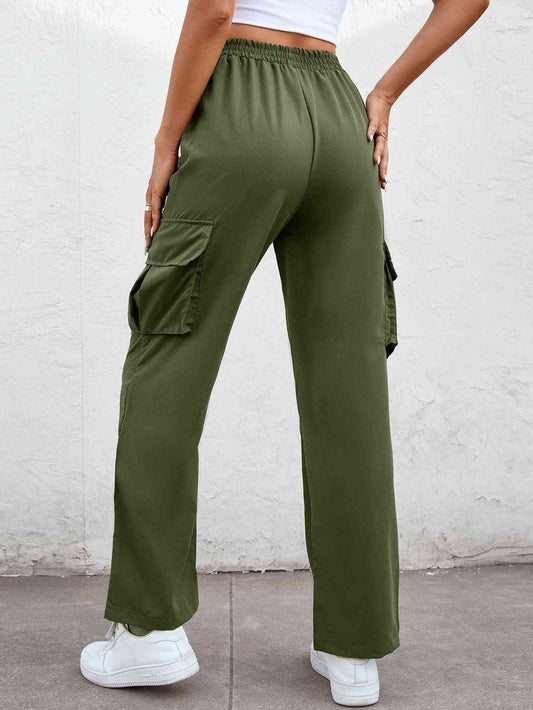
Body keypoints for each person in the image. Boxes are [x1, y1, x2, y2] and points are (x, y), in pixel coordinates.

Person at [79, 0, 489, 704]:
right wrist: (384, 92)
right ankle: (353, 649)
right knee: (348, 389)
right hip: (338, 114)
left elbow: (215, 9)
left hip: (237, 105)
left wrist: (166, 141)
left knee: (168, 363)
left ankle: (148, 634)